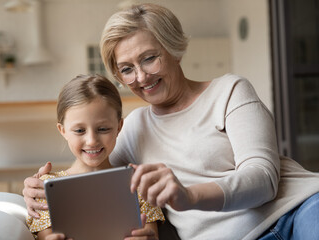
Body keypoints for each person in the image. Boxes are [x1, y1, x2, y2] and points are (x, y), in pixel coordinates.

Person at [23, 3, 319, 240]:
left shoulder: (229, 91)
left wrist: (188, 196)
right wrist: (40, 190)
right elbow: (90, 172)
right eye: (126, 69)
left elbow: (263, 180)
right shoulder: (133, 128)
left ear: (174, 48)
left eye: (149, 58)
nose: (140, 77)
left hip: (299, 210)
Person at [25, 74, 164, 240]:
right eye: (79, 131)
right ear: (63, 130)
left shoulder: (138, 184)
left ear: (119, 126)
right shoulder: (46, 188)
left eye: (103, 129)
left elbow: (151, 235)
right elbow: (44, 237)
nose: (91, 141)